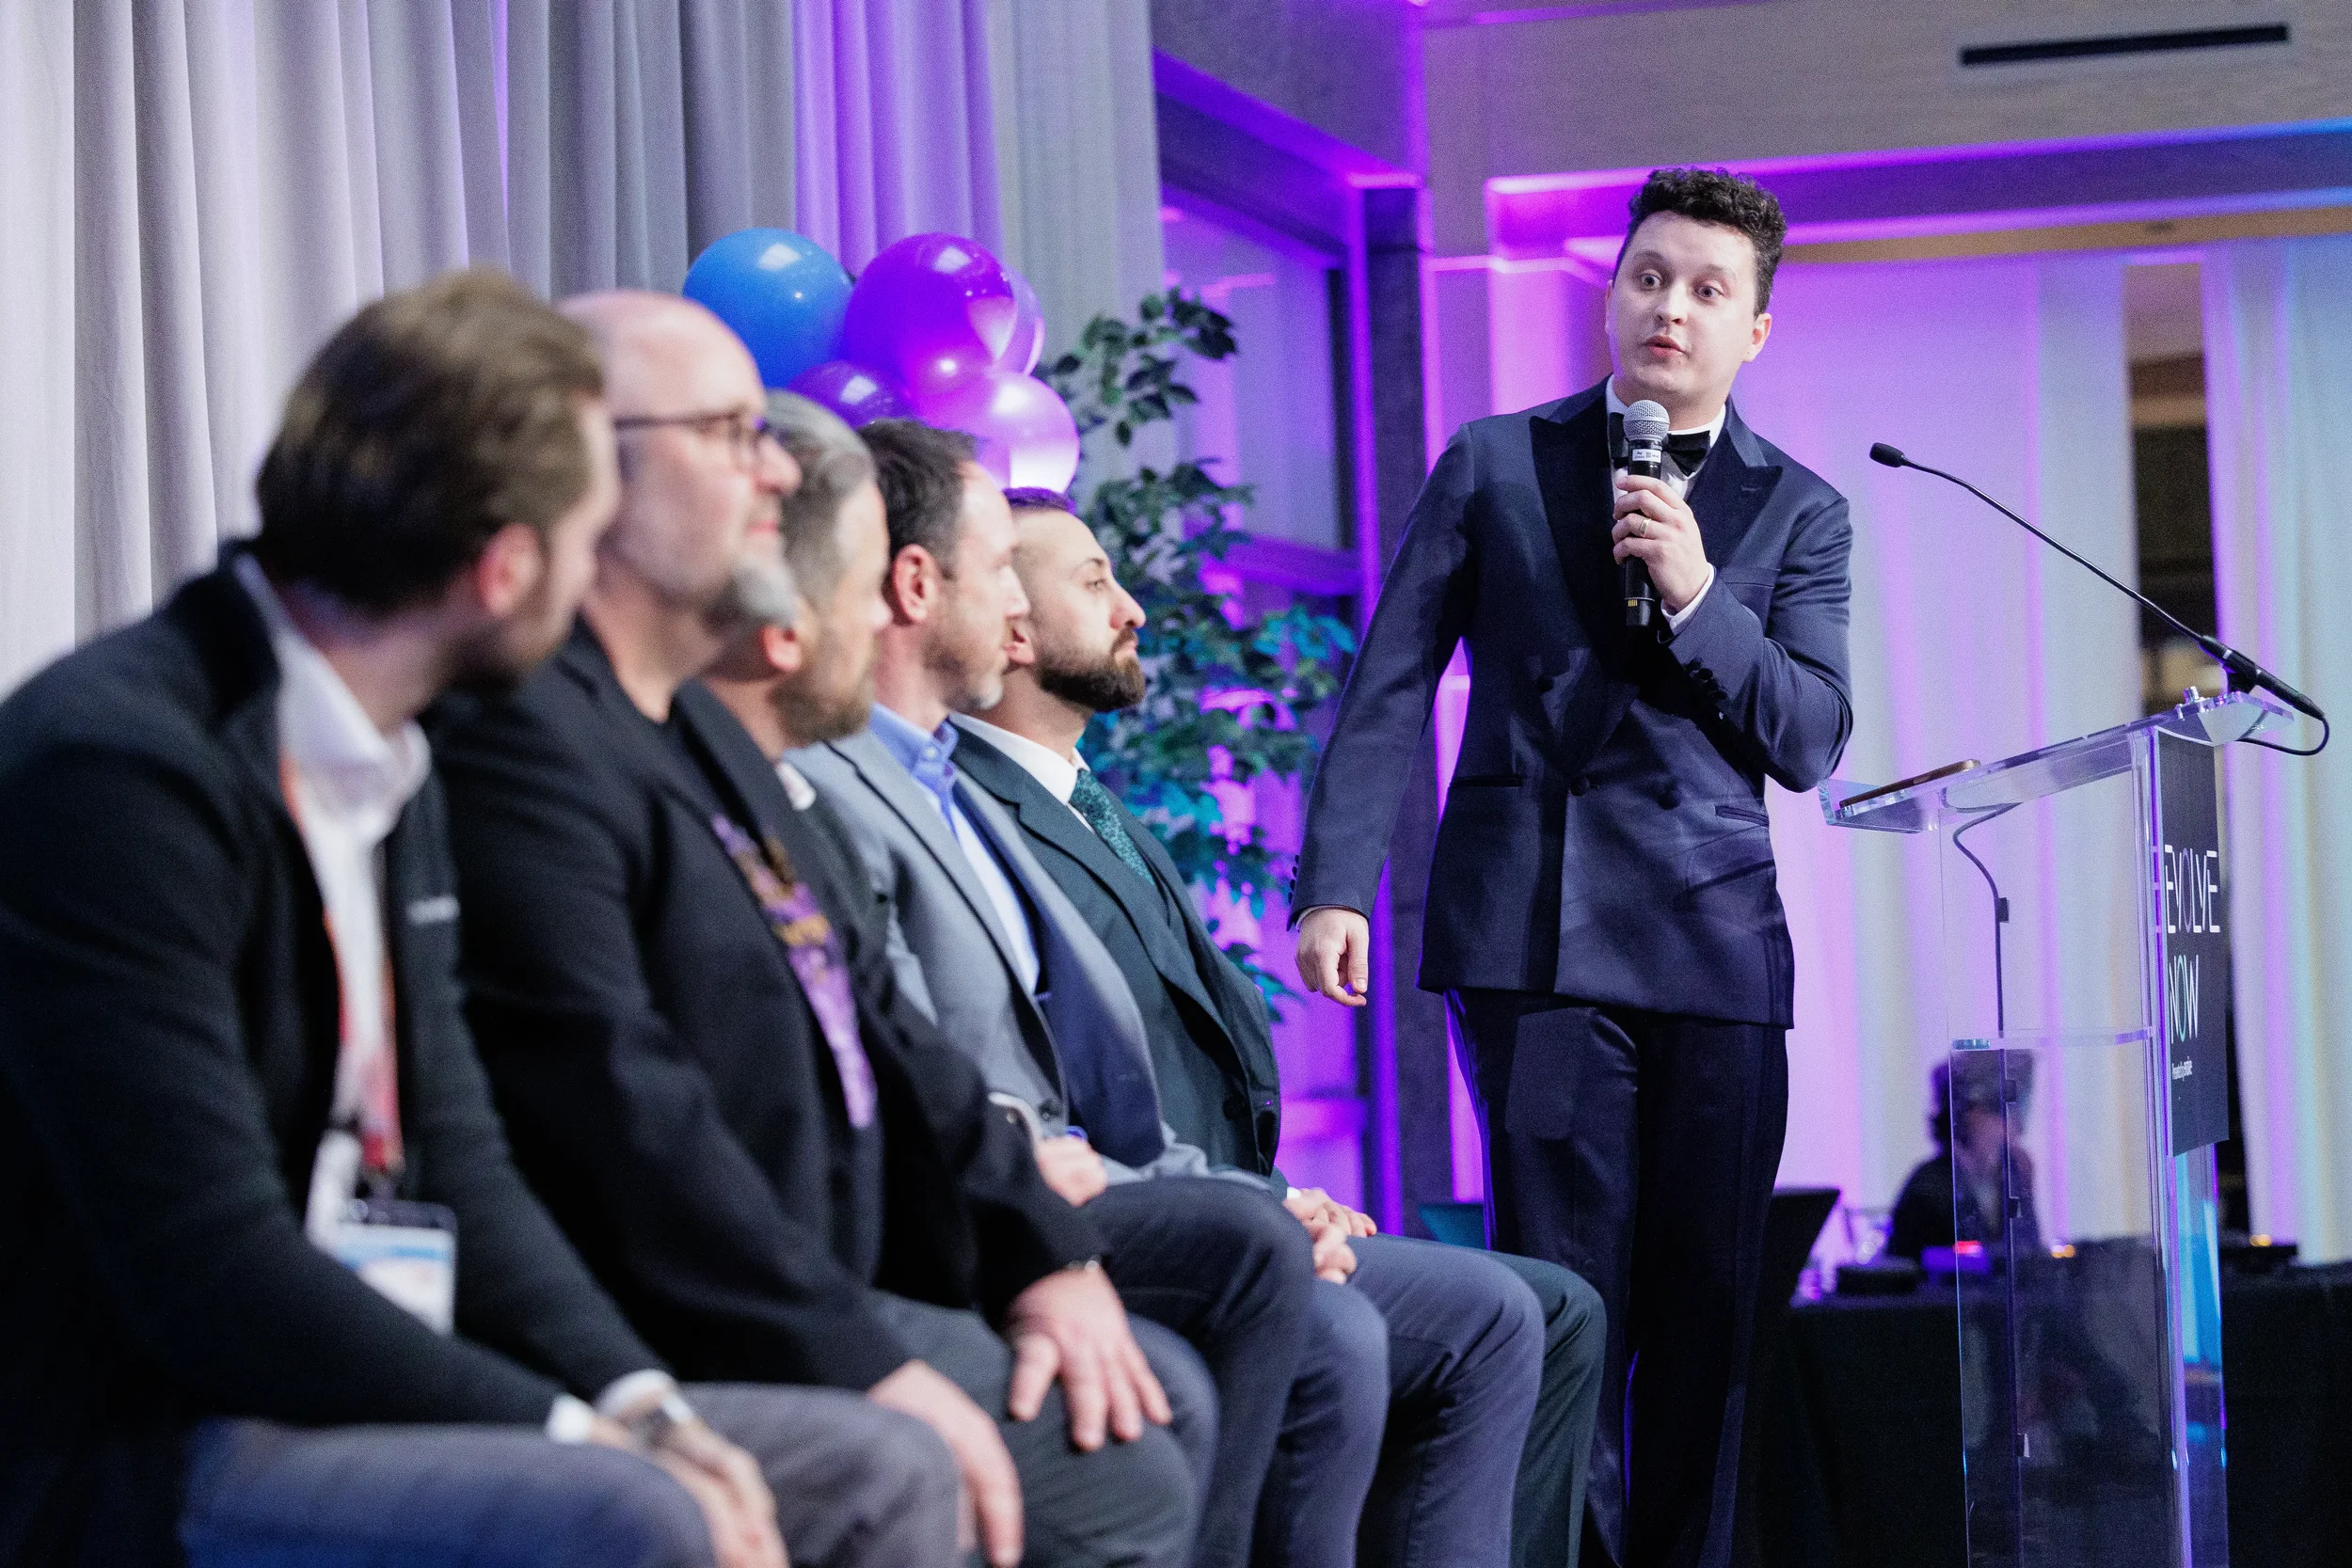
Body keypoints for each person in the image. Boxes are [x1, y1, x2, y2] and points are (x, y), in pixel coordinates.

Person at [0, 271, 954, 1568]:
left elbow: (457, 1152)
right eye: (583, 535)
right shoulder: (123, 768)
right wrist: (575, 1433)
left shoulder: (394, 751)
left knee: (871, 1467)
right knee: (634, 1510)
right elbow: (206, 1265)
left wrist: (640, 1403)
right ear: (506, 569)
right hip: (144, 1430)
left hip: (358, 1360)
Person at [428, 294, 1208, 1568]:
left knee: (1144, 1390)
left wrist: (1043, 1254)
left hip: (824, 1266)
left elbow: (893, 1040)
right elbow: (624, 1111)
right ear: (589, 470)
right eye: (733, 433)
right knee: (1117, 1466)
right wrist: (856, 1352)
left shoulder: (697, 732)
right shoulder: (527, 738)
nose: (780, 465)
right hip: (679, 1304)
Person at [1292, 167, 1855, 1568]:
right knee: (1565, 1301)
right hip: (1532, 949)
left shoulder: (1800, 509)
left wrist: (1696, 592)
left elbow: (1809, 734)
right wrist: (1336, 877)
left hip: (1715, 953)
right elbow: (1391, 679)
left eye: (1709, 289)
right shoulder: (1497, 459)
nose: (1672, 306)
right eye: (1651, 274)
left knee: (1710, 1315)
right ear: (1614, 290)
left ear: (1757, 330)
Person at [949, 486, 1609, 1568]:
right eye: (1093, 581)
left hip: (1231, 1202)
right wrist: (1259, 1208)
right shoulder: (976, 814)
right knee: (1493, 1312)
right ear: (1008, 625)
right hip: (1157, 1219)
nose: (1134, 609)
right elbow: (1063, 1087)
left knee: (1562, 1307)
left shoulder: (1089, 798)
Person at [710, 412, 1320, 1568]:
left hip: (980, 1181)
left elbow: (897, 1045)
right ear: (904, 584)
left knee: (1479, 1309)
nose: (1020, 610)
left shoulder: (948, 786)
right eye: (1009, 572)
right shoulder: (798, 782)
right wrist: (1027, 1218)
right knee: (1213, 1313)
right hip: (888, 1221)